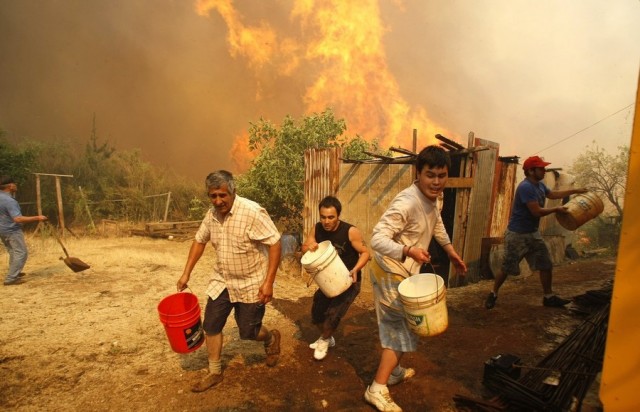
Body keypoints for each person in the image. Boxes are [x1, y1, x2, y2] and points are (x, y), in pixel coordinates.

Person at [365, 146, 467, 411]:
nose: (436, 182)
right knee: (401, 328)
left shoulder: (436, 197)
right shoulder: (407, 202)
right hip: (389, 271)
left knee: (405, 327)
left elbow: (437, 224)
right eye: (430, 175)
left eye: (441, 175)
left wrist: (452, 253)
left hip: (406, 272)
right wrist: (408, 250)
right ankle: (377, 388)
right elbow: (376, 239)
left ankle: (394, 371)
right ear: (418, 174)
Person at [176, 170, 282, 393]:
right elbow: (199, 241)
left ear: (233, 192)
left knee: (248, 332)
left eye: (222, 195)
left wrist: (269, 282)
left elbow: (275, 243)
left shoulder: (252, 212)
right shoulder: (211, 215)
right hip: (222, 280)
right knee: (211, 325)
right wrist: (186, 273)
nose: (218, 201)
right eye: (213, 196)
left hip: (251, 282)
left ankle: (271, 337)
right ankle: (214, 372)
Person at [484, 156, 588, 310]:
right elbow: (536, 212)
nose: (544, 171)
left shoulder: (539, 185)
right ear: (531, 171)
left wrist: (575, 190)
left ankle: (548, 297)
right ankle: (493, 293)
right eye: (541, 168)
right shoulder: (526, 187)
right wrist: (556, 209)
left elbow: (552, 195)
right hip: (517, 235)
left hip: (533, 234)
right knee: (507, 268)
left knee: (545, 265)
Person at [301, 196, 370, 361]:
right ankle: (328, 337)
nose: (326, 221)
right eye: (323, 217)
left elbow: (366, 253)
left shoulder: (350, 231)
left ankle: (324, 339)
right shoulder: (317, 228)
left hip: (349, 280)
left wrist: (355, 269)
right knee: (317, 313)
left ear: (338, 215)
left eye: (331, 217)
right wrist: (308, 247)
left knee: (334, 313)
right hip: (327, 279)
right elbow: (305, 246)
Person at [1, 176, 48, 286]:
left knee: (13, 251)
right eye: (14, 183)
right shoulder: (9, 201)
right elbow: (17, 219)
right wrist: (38, 218)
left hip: (2, 230)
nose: (16, 185)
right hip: (12, 230)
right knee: (21, 252)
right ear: (10, 186)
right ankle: (11, 278)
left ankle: (14, 272)